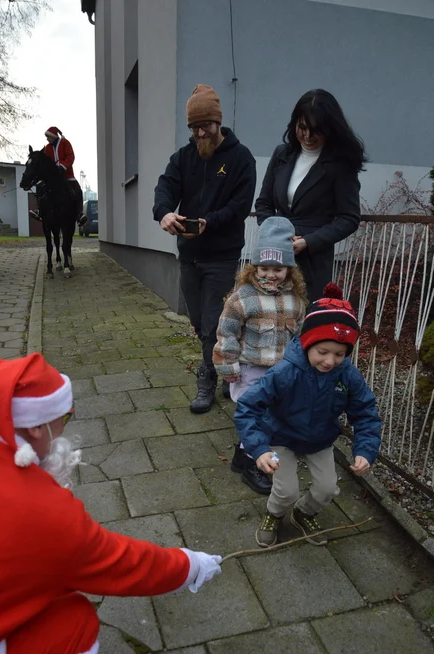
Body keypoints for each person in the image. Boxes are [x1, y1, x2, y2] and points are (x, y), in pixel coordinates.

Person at [0, 354, 222, 654]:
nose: (64, 428)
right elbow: (123, 563)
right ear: (34, 428)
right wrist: (191, 565)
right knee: (76, 623)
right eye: (64, 418)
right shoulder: (43, 513)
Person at [234, 283, 381, 548]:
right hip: (280, 438)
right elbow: (247, 408)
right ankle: (275, 513)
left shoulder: (347, 375)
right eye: (322, 352)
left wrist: (365, 451)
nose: (330, 361)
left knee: (327, 488)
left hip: (319, 439)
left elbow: (366, 413)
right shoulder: (284, 373)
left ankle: (305, 512)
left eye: (339, 354)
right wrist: (259, 450)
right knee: (286, 489)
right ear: (307, 342)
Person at [153, 84, 256, 414]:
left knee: (212, 323)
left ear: (218, 122)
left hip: (221, 255)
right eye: (194, 128)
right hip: (190, 256)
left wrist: (210, 222)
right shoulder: (184, 158)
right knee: (199, 322)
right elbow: (165, 187)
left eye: (205, 126)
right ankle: (229, 366)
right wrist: (164, 213)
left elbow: (240, 205)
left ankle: (207, 379)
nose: (200, 133)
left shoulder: (241, 159)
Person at [213, 216, 307, 494]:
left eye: (278, 269)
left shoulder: (296, 301)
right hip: (250, 370)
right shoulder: (242, 298)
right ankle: (255, 464)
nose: (270, 274)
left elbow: (299, 337)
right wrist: (229, 370)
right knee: (256, 417)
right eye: (264, 268)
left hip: (280, 372)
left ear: (289, 269)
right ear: (254, 267)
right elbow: (227, 333)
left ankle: (241, 458)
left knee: (270, 416)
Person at [255, 89, 366, 302]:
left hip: (313, 263)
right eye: (302, 127)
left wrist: (308, 241)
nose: (307, 136)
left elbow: (349, 218)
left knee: (307, 327)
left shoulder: (341, 164)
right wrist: (276, 235)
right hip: (274, 260)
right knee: (269, 323)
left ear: (330, 129)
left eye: (316, 130)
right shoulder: (282, 154)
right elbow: (263, 204)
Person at [29, 126, 87, 226]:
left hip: (67, 175)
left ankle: (79, 214)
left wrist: (63, 166)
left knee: (78, 190)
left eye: (48, 136)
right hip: (52, 178)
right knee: (40, 186)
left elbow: (70, 156)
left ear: (54, 136)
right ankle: (40, 210)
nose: (47, 139)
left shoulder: (65, 143)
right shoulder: (47, 148)